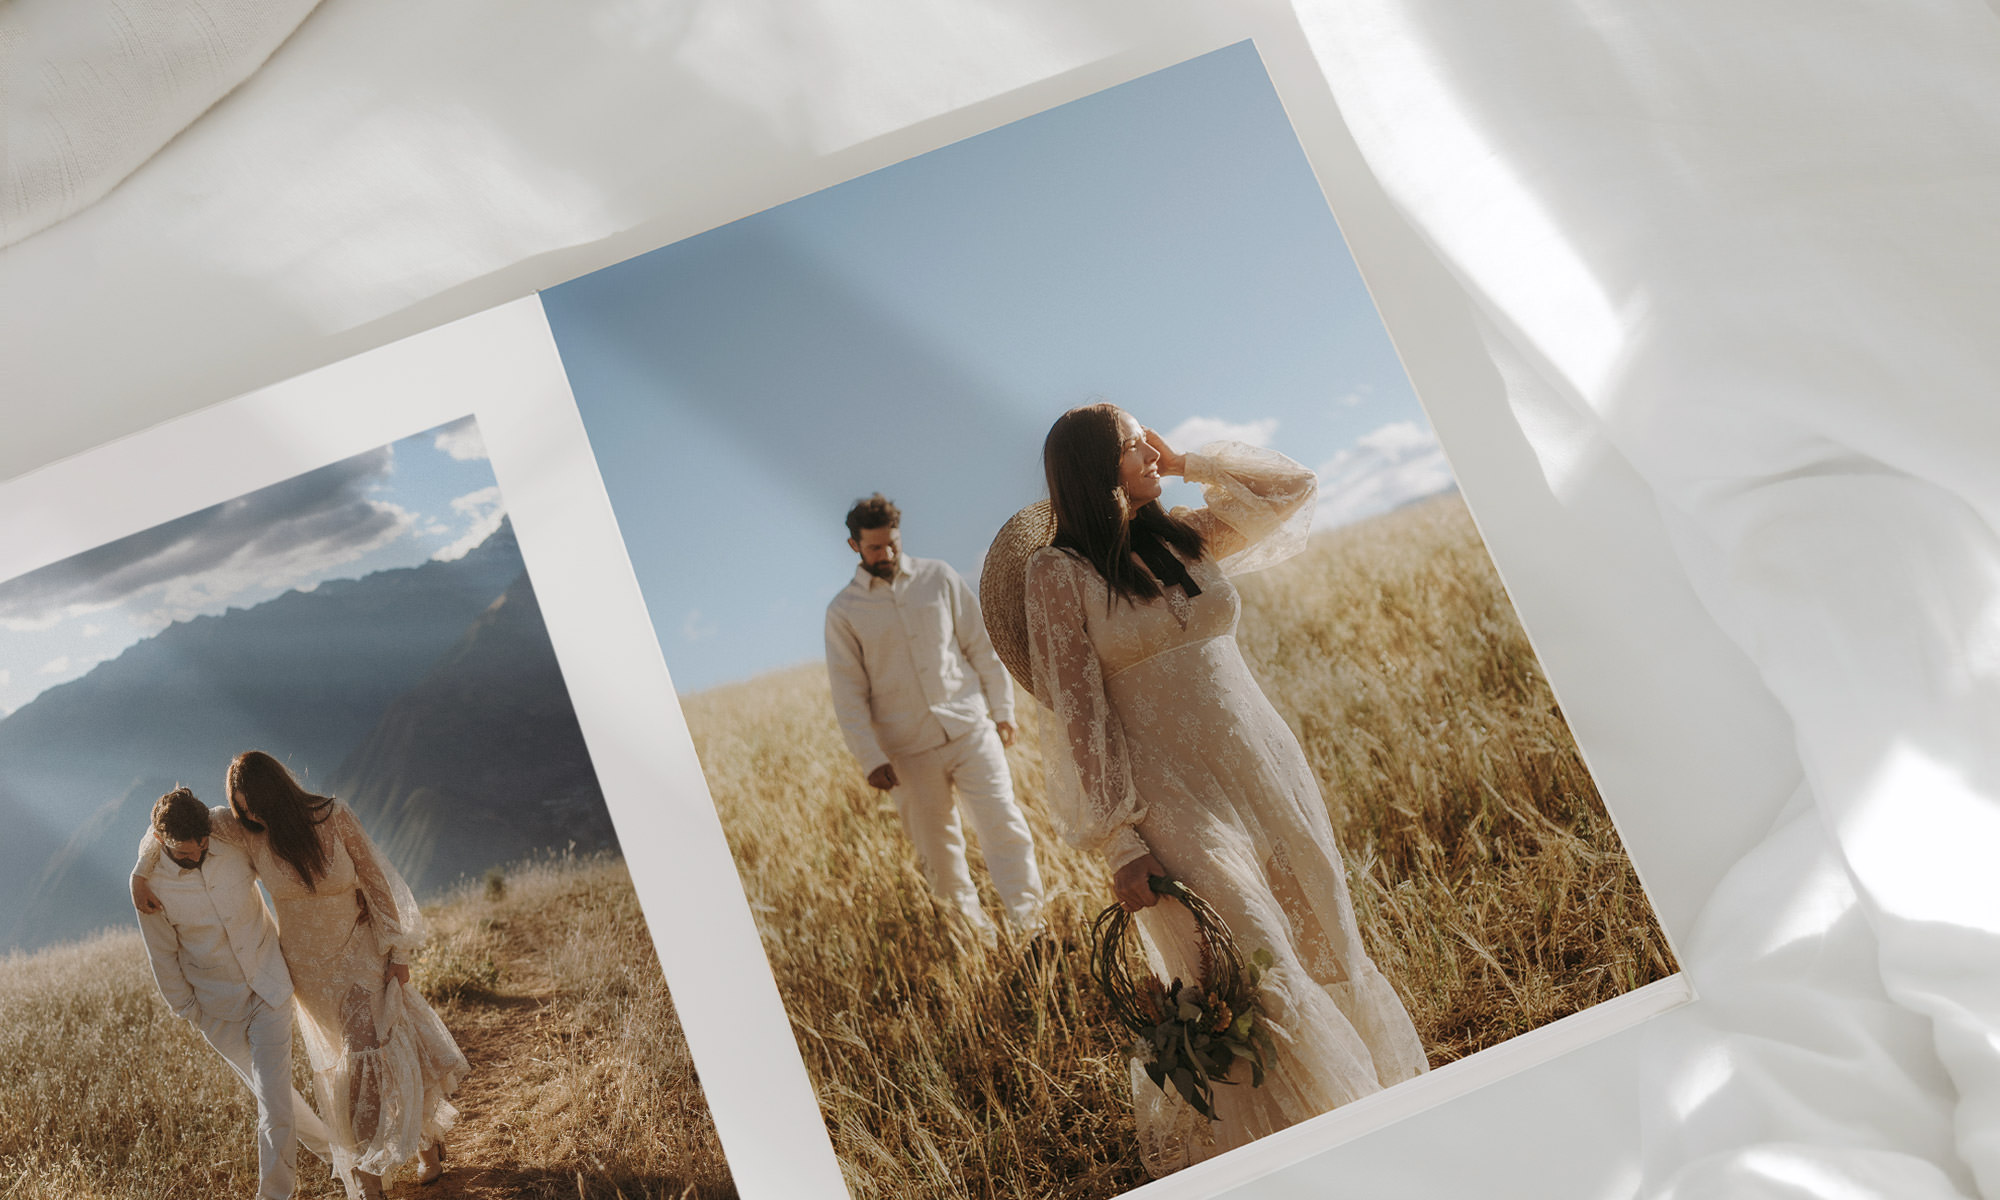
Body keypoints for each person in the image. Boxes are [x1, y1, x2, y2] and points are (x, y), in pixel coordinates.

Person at [1015, 404, 1429, 1174]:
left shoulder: (1185, 536)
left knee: (1324, 937)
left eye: (1148, 443)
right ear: (1091, 471)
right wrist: (1121, 840)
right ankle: (1298, 1170)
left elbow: (1291, 487)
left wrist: (1187, 466)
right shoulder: (1056, 574)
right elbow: (1081, 716)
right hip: (1174, 802)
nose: (1150, 452)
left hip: (1267, 774)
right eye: (1134, 447)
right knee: (1251, 968)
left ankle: (1379, 1148)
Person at [136, 753, 468, 1199]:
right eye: (240, 808)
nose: (249, 814)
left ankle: (373, 1177)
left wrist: (397, 949)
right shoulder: (247, 833)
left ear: (277, 791)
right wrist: (140, 872)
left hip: (358, 949)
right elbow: (173, 823)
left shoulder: (334, 815)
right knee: (356, 1063)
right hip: (305, 971)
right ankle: (411, 1148)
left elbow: (375, 877)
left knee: (372, 1054)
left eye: (254, 804)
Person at [825, 492, 1046, 943]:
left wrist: (1002, 711)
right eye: (873, 548)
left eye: (892, 543)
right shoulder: (843, 613)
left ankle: (1033, 932)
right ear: (854, 547)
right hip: (906, 752)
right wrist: (870, 758)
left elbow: (980, 648)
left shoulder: (938, 578)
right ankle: (977, 943)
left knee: (1005, 825)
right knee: (940, 854)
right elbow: (849, 694)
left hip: (970, 729)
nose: (885, 554)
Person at [133, 786, 333, 1200]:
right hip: (214, 1008)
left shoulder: (226, 834)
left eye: (202, 845)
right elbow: (162, 955)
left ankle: (273, 1194)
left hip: (268, 986)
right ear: (160, 841)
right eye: (186, 853)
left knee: (273, 1104)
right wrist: (189, 1010)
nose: (198, 854)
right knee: (274, 1095)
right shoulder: (150, 884)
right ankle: (337, 1154)